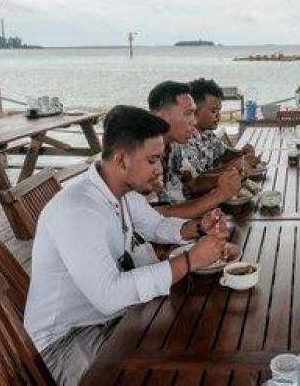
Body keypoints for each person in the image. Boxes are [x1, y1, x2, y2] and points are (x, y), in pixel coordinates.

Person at [24, 106, 230, 384]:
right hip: (65, 341)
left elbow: (156, 226)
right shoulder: (79, 211)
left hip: (110, 319)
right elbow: (109, 295)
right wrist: (191, 260)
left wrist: (199, 227)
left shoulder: (123, 192)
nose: (159, 169)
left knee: (195, 332)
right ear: (121, 159)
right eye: (153, 160)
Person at [148, 81, 241, 216]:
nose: (194, 121)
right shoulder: (144, 156)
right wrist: (219, 194)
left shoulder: (174, 147)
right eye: (188, 113)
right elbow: (158, 215)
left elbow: (192, 182)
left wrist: (228, 179)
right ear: (161, 116)